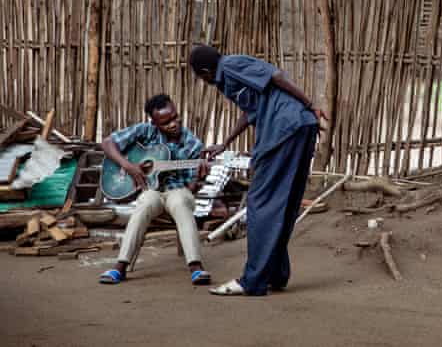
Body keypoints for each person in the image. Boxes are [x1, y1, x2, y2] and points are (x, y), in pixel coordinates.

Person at [189, 45, 325, 296]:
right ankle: (275, 274)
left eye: (200, 77)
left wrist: (310, 104)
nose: (204, 81)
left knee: (260, 202)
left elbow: (276, 76)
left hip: (285, 127)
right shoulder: (228, 77)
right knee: (283, 200)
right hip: (297, 126)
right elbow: (252, 111)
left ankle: (253, 280)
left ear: (206, 72)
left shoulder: (229, 65)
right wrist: (225, 142)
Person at [98, 94, 211, 286]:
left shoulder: (193, 144)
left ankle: (195, 266)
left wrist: (200, 177)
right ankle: (120, 266)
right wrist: (128, 166)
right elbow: (107, 143)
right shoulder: (145, 131)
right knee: (145, 203)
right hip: (152, 191)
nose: (174, 124)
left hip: (178, 190)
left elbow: (192, 185)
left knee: (181, 203)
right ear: (155, 123)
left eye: (175, 117)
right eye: (166, 122)